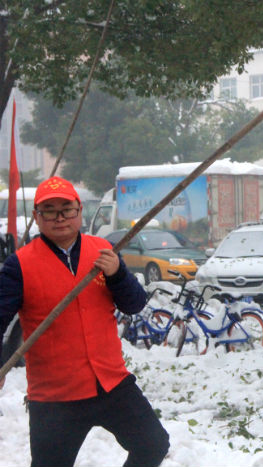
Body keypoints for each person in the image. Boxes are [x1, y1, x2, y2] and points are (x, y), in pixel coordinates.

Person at [0, 176, 169, 467]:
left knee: (153, 444)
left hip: (111, 382)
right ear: (37, 218)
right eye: (49, 210)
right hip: (56, 394)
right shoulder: (21, 264)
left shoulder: (102, 251)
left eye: (66, 209)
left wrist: (117, 274)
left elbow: (135, 304)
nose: (60, 217)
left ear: (79, 211)